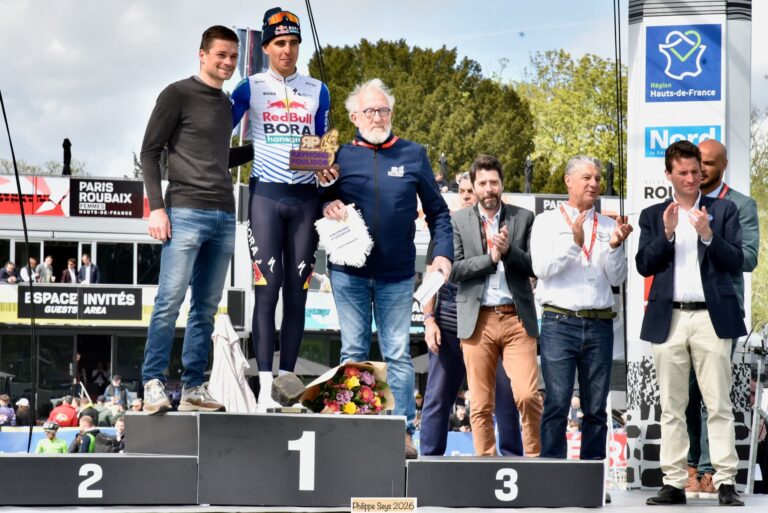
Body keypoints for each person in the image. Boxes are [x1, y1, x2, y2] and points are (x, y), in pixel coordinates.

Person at [322, 78, 453, 459]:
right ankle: (353, 429)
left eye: (383, 110)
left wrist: (441, 253)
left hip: (397, 275)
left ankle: (403, 433)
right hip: (348, 272)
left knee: (397, 352)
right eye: (369, 111)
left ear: (391, 114)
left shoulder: (413, 154)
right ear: (353, 117)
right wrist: (323, 204)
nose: (377, 117)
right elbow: (314, 197)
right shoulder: (338, 155)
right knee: (354, 350)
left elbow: (439, 212)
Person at [230, 7, 331, 408]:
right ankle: (264, 385)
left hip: (306, 200)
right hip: (266, 198)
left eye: (292, 43)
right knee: (266, 289)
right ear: (267, 47)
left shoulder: (317, 89)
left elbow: (322, 145)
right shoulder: (248, 87)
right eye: (279, 44)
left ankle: (286, 383)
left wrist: (328, 166)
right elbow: (217, 133)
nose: (287, 51)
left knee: (298, 292)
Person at [139, 25, 241, 415]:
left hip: (224, 214)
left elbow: (217, 157)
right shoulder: (176, 94)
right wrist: (157, 207)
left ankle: (195, 385)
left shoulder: (226, 104)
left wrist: (268, 150)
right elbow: (149, 152)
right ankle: (153, 382)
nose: (228, 62)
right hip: (183, 211)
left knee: (205, 308)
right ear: (202, 55)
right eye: (221, 55)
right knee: (169, 302)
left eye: (233, 56)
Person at [637, 140, 745, 507]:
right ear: (668, 174)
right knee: (673, 405)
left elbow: (737, 262)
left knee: (719, 404)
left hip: (711, 318)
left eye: (695, 172)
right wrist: (666, 234)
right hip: (670, 319)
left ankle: (726, 480)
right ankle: (673, 481)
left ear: (703, 172)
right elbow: (644, 265)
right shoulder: (653, 215)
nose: (690, 178)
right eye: (681, 172)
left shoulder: (724, 210)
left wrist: (708, 236)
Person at [531, 156, 631, 461]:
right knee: (558, 404)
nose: (594, 183)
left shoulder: (610, 225)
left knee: (596, 408)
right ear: (568, 181)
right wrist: (573, 244)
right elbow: (542, 269)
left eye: (598, 179)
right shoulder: (547, 222)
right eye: (587, 177)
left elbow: (618, 277)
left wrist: (614, 248)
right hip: (559, 322)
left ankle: (592, 478)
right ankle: (553, 475)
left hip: (599, 323)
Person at [420, 172, 524, 457]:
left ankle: (513, 459)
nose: (466, 195)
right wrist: (429, 321)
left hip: (495, 321)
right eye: (462, 191)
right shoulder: (447, 230)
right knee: (438, 397)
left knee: (506, 396)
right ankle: (428, 461)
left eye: (471, 190)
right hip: (451, 325)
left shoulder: (505, 227)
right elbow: (430, 281)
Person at [450, 154, 542, 457]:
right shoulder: (459, 220)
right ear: (473, 187)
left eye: (494, 182)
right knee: (479, 402)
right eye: (483, 183)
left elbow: (534, 266)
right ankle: (485, 464)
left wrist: (509, 251)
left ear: (502, 185)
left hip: (517, 319)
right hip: (478, 320)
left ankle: (533, 460)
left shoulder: (523, 217)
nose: (489, 188)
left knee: (528, 395)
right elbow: (454, 270)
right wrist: (490, 259)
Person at [685, 139, 761, 499]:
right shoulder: (681, 201)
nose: (701, 170)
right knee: (683, 394)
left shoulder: (741, 205)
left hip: (719, 310)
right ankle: (688, 467)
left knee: (711, 395)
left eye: (709, 164)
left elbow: (747, 259)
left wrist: (709, 237)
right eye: (697, 162)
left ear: (724, 166)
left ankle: (709, 470)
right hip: (679, 311)